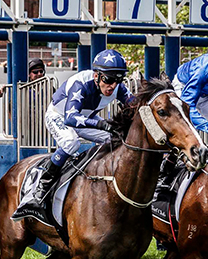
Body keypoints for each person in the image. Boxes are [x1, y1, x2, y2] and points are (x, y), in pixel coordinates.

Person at [12, 49, 134, 221]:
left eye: (118, 80)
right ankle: (40, 189)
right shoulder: (81, 84)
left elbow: (137, 105)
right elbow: (70, 118)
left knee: (116, 139)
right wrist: (102, 124)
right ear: (96, 76)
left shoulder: (117, 87)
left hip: (86, 118)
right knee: (71, 143)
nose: (113, 85)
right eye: (108, 79)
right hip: (60, 116)